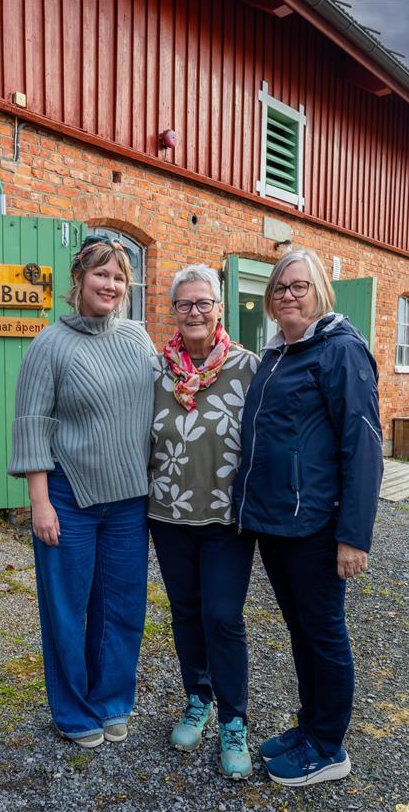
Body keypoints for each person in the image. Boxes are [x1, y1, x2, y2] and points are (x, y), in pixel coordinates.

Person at [233, 248, 383, 787]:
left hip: (316, 525)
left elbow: (363, 447)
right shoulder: (277, 354)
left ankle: (329, 746)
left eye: (299, 286)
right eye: (280, 289)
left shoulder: (340, 352)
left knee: (322, 632)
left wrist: (353, 536)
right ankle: (309, 726)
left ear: (321, 292)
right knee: (300, 630)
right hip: (275, 524)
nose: (288, 296)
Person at [8, 235, 155, 749]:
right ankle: (73, 710)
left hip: (129, 500)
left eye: (119, 277)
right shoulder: (50, 343)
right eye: (102, 275)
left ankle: (113, 701)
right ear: (79, 280)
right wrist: (39, 501)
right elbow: (32, 422)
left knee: (123, 607)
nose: (111, 285)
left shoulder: (139, 339)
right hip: (68, 498)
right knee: (67, 608)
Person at [147, 265, 260, 778]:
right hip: (167, 514)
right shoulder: (156, 371)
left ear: (220, 308)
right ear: (174, 311)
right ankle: (198, 698)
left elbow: (268, 441)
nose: (194, 312)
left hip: (225, 519)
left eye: (203, 303)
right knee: (186, 612)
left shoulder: (248, 368)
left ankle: (234, 720)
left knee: (222, 616)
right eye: (184, 304)